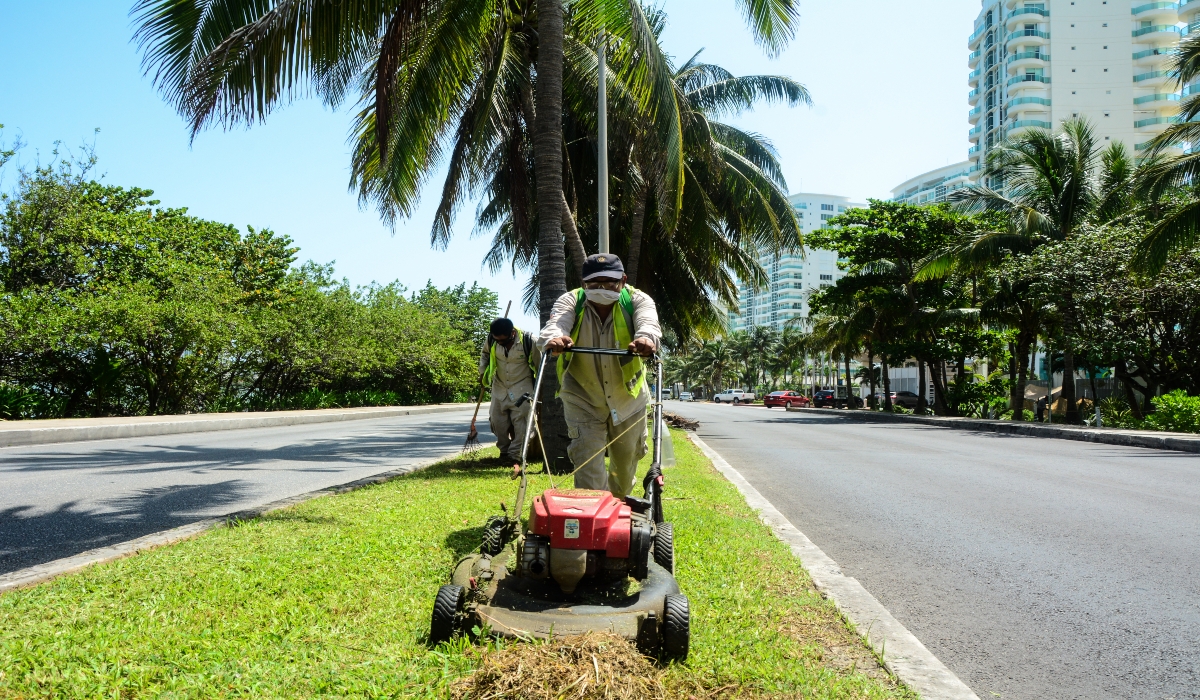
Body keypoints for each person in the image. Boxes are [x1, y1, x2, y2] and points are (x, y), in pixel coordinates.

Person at [540, 253, 661, 499]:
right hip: (582, 397)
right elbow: (556, 324)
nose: (602, 288)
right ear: (584, 283)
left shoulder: (638, 300)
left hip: (628, 399)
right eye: (594, 284)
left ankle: (616, 513)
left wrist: (646, 338)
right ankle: (593, 527)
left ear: (623, 280)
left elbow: (648, 323)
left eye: (609, 283)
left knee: (624, 472)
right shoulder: (571, 301)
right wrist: (555, 337)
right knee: (587, 469)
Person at [479, 317, 540, 464]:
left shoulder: (529, 340)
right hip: (499, 387)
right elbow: (485, 354)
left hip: (522, 388)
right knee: (496, 421)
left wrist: (540, 389)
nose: (500, 343)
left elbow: (539, 365)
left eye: (503, 341)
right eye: (497, 340)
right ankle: (504, 452)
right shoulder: (491, 339)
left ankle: (516, 455)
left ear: (512, 333)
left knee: (523, 424)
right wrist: (482, 373)